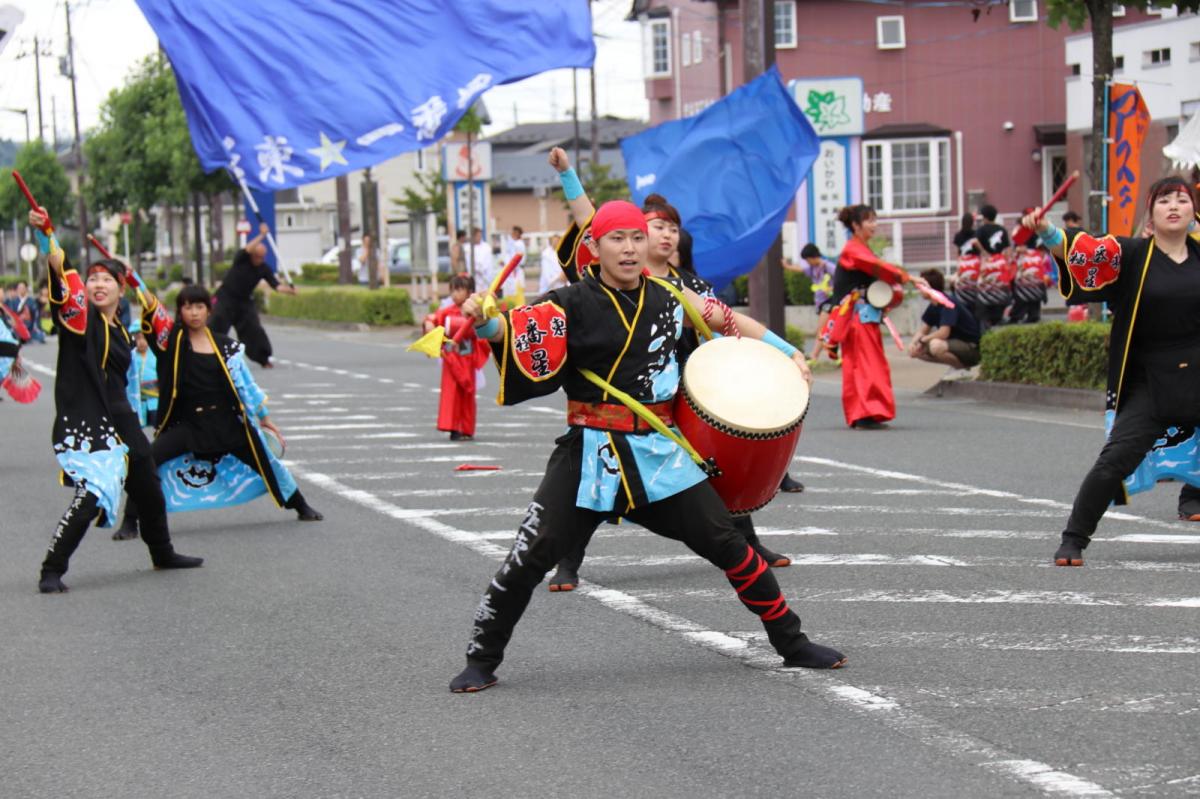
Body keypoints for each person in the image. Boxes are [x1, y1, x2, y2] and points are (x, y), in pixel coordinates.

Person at [447, 200, 844, 693]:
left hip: (658, 453)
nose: (630, 248)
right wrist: (485, 322)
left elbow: (729, 322)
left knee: (730, 543)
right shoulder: (567, 302)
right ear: (593, 247)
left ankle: (793, 643)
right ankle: (480, 659)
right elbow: (514, 331)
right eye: (617, 239)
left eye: (637, 237)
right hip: (590, 453)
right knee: (530, 554)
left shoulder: (669, 296)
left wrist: (789, 353)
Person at [544, 147, 799, 589]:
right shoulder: (618, 275)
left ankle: (746, 548)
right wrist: (568, 175)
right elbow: (590, 221)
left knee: (711, 474)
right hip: (618, 402)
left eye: (671, 229)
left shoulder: (688, 287)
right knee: (592, 485)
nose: (664, 236)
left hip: (680, 397)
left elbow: (728, 321)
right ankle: (569, 562)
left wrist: (787, 351)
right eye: (654, 227)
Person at [29, 206, 202, 593]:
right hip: (90, 421)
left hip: (122, 418)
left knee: (149, 488)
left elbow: (167, 343)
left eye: (107, 280)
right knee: (92, 495)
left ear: (119, 290)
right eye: (93, 281)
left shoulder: (122, 331)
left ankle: (162, 552)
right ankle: (51, 570)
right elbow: (63, 275)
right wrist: (47, 236)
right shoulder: (80, 321)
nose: (97, 286)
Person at [1028, 176, 1200, 566]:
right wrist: (1047, 231)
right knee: (1114, 462)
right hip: (1150, 381)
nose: (1174, 206)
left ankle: (1192, 497)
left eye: (1182, 200)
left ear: (1193, 213)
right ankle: (1073, 539)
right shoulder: (1130, 255)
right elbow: (1078, 250)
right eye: (1164, 201)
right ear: (1151, 215)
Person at [115, 284, 323, 541]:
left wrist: (265, 418)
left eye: (199, 306)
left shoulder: (226, 346)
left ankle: (300, 505)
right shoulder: (173, 342)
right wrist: (137, 285)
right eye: (188, 307)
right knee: (147, 462)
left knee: (266, 462)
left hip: (227, 423)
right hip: (188, 424)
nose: (194, 313)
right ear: (180, 311)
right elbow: (154, 313)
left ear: (209, 311)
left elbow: (247, 385)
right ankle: (130, 521)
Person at [823, 204, 927, 430]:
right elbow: (877, 267)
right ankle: (865, 412)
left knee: (860, 364)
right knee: (866, 364)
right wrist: (907, 277)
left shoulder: (860, 248)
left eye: (874, 220)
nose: (874, 225)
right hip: (858, 317)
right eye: (869, 220)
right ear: (855, 225)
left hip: (861, 316)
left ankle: (863, 412)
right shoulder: (854, 249)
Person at [210, 222, 297, 367]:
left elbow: (276, 285)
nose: (259, 260)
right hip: (226, 297)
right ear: (252, 255)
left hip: (244, 302)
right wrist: (262, 235)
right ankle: (210, 355)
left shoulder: (263, 268)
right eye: (257, 257)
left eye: (262, 257)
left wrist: (290, 290)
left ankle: (263, 358)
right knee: (216, 324)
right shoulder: (241, 259)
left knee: (254, 329)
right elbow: (248, 248)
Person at [421, 274, 491, 441]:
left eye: (459, 290)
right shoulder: (447, 312)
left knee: (467, 393)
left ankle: (467, 428)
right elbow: (433, 318)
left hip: (467, 358)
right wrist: (429, 323)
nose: (455, 294)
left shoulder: (475, 313)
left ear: (469, 292)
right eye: (453, 290)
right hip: (451, 358)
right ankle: (453, 427)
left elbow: (484, 330)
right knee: (451, 394)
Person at [908, 269, 981, 379]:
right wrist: (913, 344)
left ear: (929, 287)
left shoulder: (947, 303)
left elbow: (943, 333)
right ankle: (956, 367)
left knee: (935, 345)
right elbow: (923, 330)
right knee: (918, 352)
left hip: (971, 347)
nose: (919, 290)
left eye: (921, 286)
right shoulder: (933, 305)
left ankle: (962, 369)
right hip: (955, 344)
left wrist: (923, 340)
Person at [784, 243, 835, 362]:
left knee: (822, 329)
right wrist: (786, 265)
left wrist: (831, 289)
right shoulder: (813, 268)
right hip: (821, 302)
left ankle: (814, 356)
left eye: (807, 260)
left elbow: (841, 281)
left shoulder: (829, 267)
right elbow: (800, 269)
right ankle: (834, 355)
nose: (807, 263)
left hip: (830, 301)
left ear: (812, 257)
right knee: (828, 330)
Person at [971, 205, 1013, 330]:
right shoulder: (1002, 229)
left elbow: (974, 241)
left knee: (985, 288)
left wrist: (983, 251)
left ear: (985, 217)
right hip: (999, 262)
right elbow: (1008, 247)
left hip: (987, 262)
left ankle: (985, 317)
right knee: (1000, 288)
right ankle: (998, 316)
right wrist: (1007, 259)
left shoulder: (981, 229)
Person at [1007, 232, 1054, 324]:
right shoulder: (1035, 232)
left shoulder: (1022, 233)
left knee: (1022, 294)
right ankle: (1032, 315)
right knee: (1032, 293)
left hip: (1028, 265)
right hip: (1034, 265)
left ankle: (1018, 316)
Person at [128, 326, 159, 427]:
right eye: (137, 338)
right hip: (139, 401)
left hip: (155, 400)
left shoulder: (155, 355)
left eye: (144, 338)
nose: (141, 342)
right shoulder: (131, 357)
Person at [951, 212, 980, 315]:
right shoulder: (976, 234)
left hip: (963, 262)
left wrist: (958, 263)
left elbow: (958, 251)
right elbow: (979, 250)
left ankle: (963, 303)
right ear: (972, 222)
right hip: (975, 262)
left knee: (961, 285)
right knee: (975, 285)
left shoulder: (958, 235)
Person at [469, 228, 496, 293]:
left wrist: (483, 269)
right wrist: (477, 268)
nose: (479, 237)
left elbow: (489, 261)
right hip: (476, 276)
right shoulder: (469, 248)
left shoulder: (486, 247)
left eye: (480, 235)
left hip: (485, 275)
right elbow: (469, 262)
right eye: (477, 236)